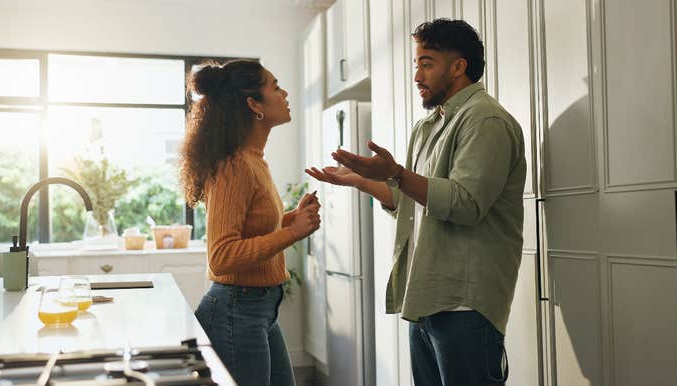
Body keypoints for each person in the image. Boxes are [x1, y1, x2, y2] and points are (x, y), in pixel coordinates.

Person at [306, 19, 526, 386]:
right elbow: (412, 200)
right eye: (416, 64)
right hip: (427, 298)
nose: (417, 76)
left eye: (427, 63)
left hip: (465, 303)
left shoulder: (485, 120)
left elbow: (466, 204)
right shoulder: (427, 127)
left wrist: (395, 173)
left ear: (459, 67)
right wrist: (360, 180)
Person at [180, 59, 320, 386]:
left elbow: (252, 229)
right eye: (275, 87)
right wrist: (291, 232)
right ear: (254, 104)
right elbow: (223, 255)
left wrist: (291, 221)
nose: (285, 93)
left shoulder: (253, 161)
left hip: (258, 309)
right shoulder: (235, 166)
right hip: (235, 311)